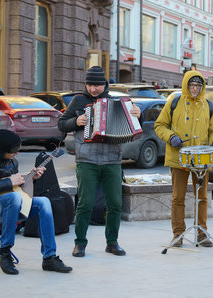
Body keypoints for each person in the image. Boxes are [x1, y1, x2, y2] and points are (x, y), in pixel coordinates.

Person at [58, 66, 141, 257]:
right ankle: (80, 244)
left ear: (105, 85)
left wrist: (138, 114)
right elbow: (61, 123)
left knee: (115, 204)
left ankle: (112, 243)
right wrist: (75, 122)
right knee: (85, 204)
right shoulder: (78, 100)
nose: (93, 88)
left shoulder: (116, 101)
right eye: (90, 84)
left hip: (112, 160)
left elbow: (133, 125)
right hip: (87, 159)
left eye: (97, 84)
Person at [0, 129, 72, 275]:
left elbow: (16, 189)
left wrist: (32, 178)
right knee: (13, 198)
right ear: (0, 150)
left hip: (10, 205)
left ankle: (49, 257)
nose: (16, 154)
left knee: (43, 202)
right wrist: (9, 181)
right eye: (12, 151)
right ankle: (4, 252)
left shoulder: (12, 161)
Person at [154, 70, 213, 247]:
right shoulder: (174, 102)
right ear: (186, 85)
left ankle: (201, 233)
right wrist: (171, 137)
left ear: (202, 87)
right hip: (179, 157)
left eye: (198, 85)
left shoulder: (208, 105)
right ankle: (178, 234)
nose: (195, 89)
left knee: (202, 197)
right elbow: (160, 125)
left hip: (201, 160)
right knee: (178, 197)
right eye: (192, 85)